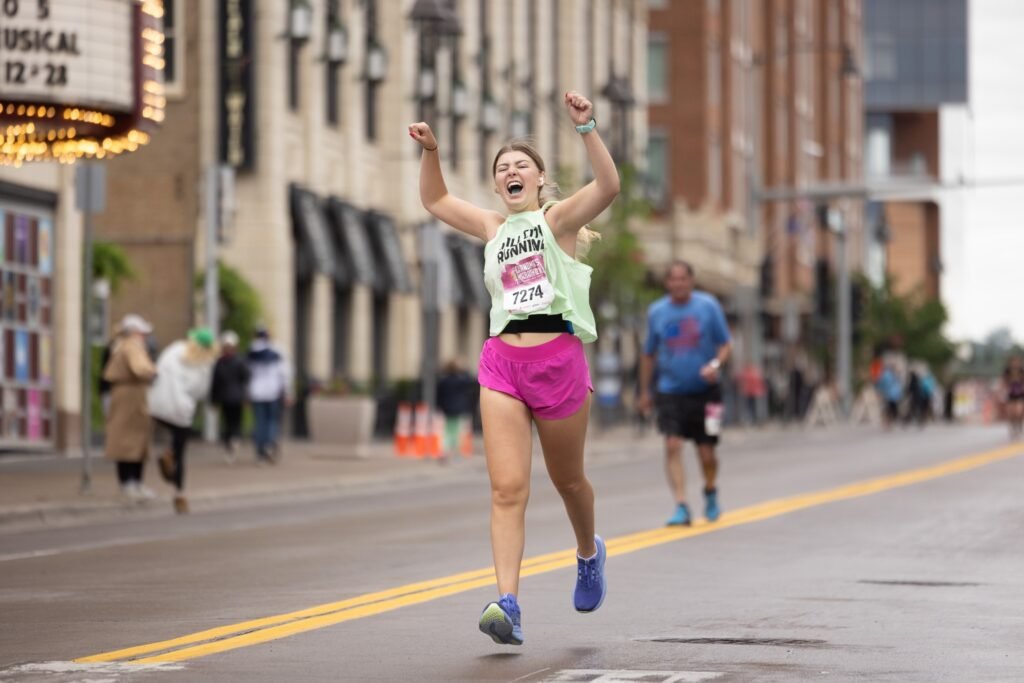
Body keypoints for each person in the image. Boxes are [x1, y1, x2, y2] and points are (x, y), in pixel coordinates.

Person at [410, 90, 619, 646]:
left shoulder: (557, 221)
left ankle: (587, 552)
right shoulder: (490, 228)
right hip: (501, 361)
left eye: (521, 165)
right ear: (498, 185)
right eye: (503, 168)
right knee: (507, 490)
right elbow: (435, 201)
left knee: (568, 480)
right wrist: (431, 151)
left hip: (558, 360)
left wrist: (587, 127)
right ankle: (508, 603)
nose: (511, 172)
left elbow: (609, 187)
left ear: (540, 178)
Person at [637, 262, 732, 527]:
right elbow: (648, 354)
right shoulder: (657, 312)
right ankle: (681, 505)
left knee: (707, 452)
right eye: (673, 279)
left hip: (708, 392)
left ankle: (710, 490)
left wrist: (715, 365)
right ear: (667, 283)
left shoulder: (708, 306)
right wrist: (645, 391)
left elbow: (726, 344)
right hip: (670, 391)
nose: (678, 284)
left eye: (683, 279)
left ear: (691, 280)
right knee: (672, 445)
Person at [148, 328, 218, 514]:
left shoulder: (173, 350)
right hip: (181, 410)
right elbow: (200, 392)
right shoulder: (205, 363)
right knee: (180, 453)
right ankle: (179, 493)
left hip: (157, 405)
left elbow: (156, 371)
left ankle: (169, 457)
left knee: (167, 440)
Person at [102, 314, 158, 502]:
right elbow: (141, 369)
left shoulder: (122, 345)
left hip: (132, 396)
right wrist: (154, 371)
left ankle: (133, 482)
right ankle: (130, 483)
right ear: (134, 332)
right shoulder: (130, 346)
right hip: (131, 397)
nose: (145, 335)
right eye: (142, 332)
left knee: (132, 440)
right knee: (129, 440)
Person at [247, 327, 291, 462]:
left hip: (256, 392)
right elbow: (284, 373)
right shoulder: (277, 351)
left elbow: (247, 375)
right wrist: (287, 392)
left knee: (259, 421)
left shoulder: (250, 352)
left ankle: (260, 450)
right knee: (272, 420)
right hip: (272, 392)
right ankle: (269, 444)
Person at [211, 330, 251, 460]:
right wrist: (214, 399)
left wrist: (246, 396)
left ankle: (234, 441)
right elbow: (215, 382)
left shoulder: (237, 361)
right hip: (228, 397)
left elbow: (246, 379)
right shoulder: (222, 363)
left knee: (234, 421)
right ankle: (231, 444)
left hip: (234, 397)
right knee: (229, 422)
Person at [435, 359, 476, 458]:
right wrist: (465, 370)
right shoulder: (460, 380)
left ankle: (446, 450)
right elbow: (472, 381)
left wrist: (439, 406)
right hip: (458, 408)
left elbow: (438, 396)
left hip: (447, 408)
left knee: (448, 429)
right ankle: (449, 450)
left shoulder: (443, 381)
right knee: (455, 430)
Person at [1003, 355, 1024, 440]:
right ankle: (1012, 426)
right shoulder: (1007, 371)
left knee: (1019, 411)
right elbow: (1004, 381)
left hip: (1020, 393)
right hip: (1011, 393)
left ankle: (1019, 425)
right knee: (1011, 412)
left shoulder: (1021, 370)